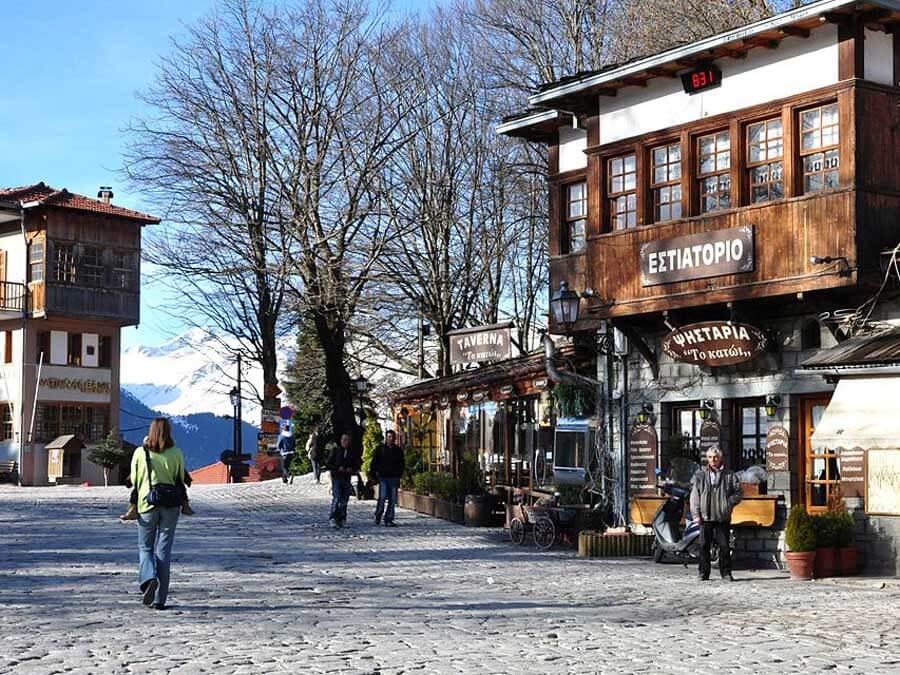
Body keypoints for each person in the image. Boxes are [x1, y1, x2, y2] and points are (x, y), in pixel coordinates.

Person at [130, 417, 186, 609]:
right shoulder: (176, 452)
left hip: (147, 504)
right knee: (164, 551)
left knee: (145, 547)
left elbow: (135, 480)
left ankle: (149, 578)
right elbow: (180, 478)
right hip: (170, 505)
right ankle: (160, 600)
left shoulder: (140, 452)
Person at [690, 445, 743, 582]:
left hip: (722, 516)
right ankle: (703, 573)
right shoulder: (700, 475)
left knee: (724, 546)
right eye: (710, 457)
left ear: (720, 458)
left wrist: (729, 502)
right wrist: (696, 514)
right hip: (705, 516)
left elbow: (739, 492)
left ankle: (726, 573)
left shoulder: (730, 475)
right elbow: (695, 496)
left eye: (715, 457)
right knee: (704, 546)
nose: (713, 460)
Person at [120, 436, 193, 521]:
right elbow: (181, 470)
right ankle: (185, 505)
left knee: (138, 489)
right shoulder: (172, 453)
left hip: (156, 481)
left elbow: (136, 471)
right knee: (179, 484)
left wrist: (129, 481)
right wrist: (187, 480)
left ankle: (133, 509)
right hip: (161, 481)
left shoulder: (145, 453)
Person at [326, 432, 360, 528]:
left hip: (347, 478)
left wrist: (351, 469)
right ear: (341, 441)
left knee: (345, 499)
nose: (346, 442)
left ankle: (342, 518)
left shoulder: (352, 452)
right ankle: (333, 518)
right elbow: (328, 464)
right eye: (344, 440)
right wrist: (337, 468)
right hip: (337, 477)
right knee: (337, 498)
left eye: (348, 440)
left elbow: (357, 464)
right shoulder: (335, 451)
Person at [371, 430, 404, 527]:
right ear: (386, 438)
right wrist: (374, 474)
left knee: (392, 499)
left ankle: (389, 519)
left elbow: (401, 463)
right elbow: (374, 462)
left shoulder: (397, 450)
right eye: (389, 437)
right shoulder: (380, 449)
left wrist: (399, 474)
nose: (390, 439)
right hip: (383, 477)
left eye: (392, 437)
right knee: (382, 497)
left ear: (394, 438)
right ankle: (378, 514)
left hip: (394, 477)